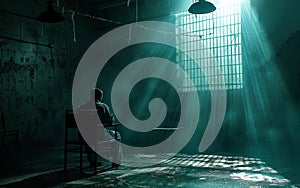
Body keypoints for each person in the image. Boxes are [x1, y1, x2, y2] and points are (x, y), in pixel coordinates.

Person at [77, 88, 121, 168]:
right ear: (100, 96)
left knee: (87, 134)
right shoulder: (102, 106)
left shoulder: (82, 108)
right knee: (117, 135)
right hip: (98, 135)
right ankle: (116, 160)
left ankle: (92, 161)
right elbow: (110, 122)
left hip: (83, 136)